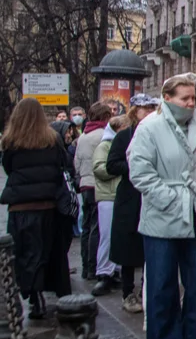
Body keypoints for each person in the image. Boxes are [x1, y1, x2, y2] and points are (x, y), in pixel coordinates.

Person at [128, 74, 196, 339]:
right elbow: (141, 173)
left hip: (195, 214)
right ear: (167, 98)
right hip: (162, 217)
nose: (190, 103)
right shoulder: (149, 128)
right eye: (185, 98)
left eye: (193, 98)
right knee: (162, 283)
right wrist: (171, 199)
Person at [0, 98, 75, 319]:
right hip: (47, 205)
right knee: (47, 251)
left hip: (20, 206)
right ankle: (47, 291)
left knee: (24, 253)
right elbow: (62, 167)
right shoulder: (52, 140)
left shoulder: (11, 142)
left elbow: (9, 168)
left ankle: (32, 295)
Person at [107, 94, 161, 314]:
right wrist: (135, 166)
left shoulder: (158, 135)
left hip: (152, 196)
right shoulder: (124, 137)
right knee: (128, 248)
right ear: (134, 112)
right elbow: (111, 165)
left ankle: (146, 291)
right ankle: (128, 292)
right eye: (144, 109)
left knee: (149, 247)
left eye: (151, 109)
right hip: (130, 198)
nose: (148, 113)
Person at [90, 114, 131, 296]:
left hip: (121, 196)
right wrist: (125, 166)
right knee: (106, 235)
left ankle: (115, 270)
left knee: (120, 236)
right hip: (107, 196)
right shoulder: (105, 145)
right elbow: (100, 168)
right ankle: (104, 272)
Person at [74, 102, 114, 281]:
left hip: (84, 183)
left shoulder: (83, 135)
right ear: (105, 117)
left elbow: (76, 162)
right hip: (99, 185)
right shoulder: (103, 135)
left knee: (87, 226)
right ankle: (95, 266)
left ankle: (86, 266)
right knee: (98, 228)